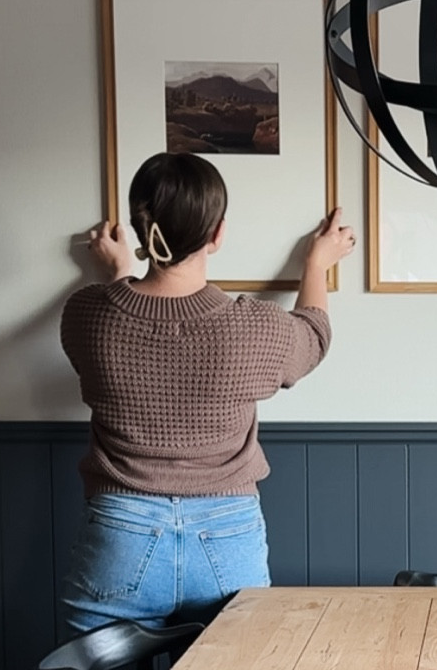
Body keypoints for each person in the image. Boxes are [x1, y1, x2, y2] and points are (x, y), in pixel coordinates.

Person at [59, 151, 355, 632]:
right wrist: (316, 264)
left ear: (139, 227)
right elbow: (313, 336)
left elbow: (125, 320)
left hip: (121, 533)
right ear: (217, 234)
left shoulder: (87, 314)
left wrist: (117, 272)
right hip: (228, 536)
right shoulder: (254, 327)